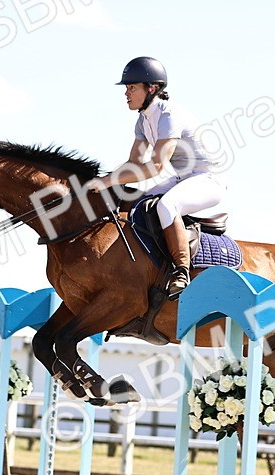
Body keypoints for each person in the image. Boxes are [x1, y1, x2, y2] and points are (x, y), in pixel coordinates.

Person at [85, 56, 225, 299]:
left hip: (208, 179)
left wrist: (108, 181)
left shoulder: (170, 115)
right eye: (127, 88)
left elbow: (156, 166)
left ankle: (181, 271)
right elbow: (135, 163)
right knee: (139, 203)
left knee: (167, 205)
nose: (126, 94)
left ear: (152, 89)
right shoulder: (143, 120)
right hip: (184, 178)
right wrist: (105, 180)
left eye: (132, 88)